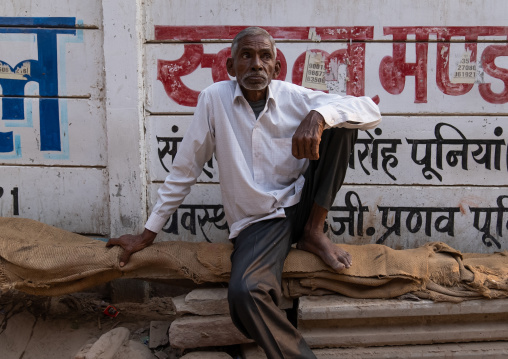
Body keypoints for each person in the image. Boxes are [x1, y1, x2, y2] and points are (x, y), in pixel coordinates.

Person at [107, 27, 381, 359]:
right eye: (246, 56)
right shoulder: (213, 100)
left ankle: (313, 232)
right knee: (245, 293)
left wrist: (320, 115)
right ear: (231, 67)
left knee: (343, 122)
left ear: (276, 68)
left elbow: (368, 108)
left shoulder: (293, 96)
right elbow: (185, 169)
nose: (256, 65)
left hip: (303, 203)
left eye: (265, 57)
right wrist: (146, 235)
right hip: (261, 221)